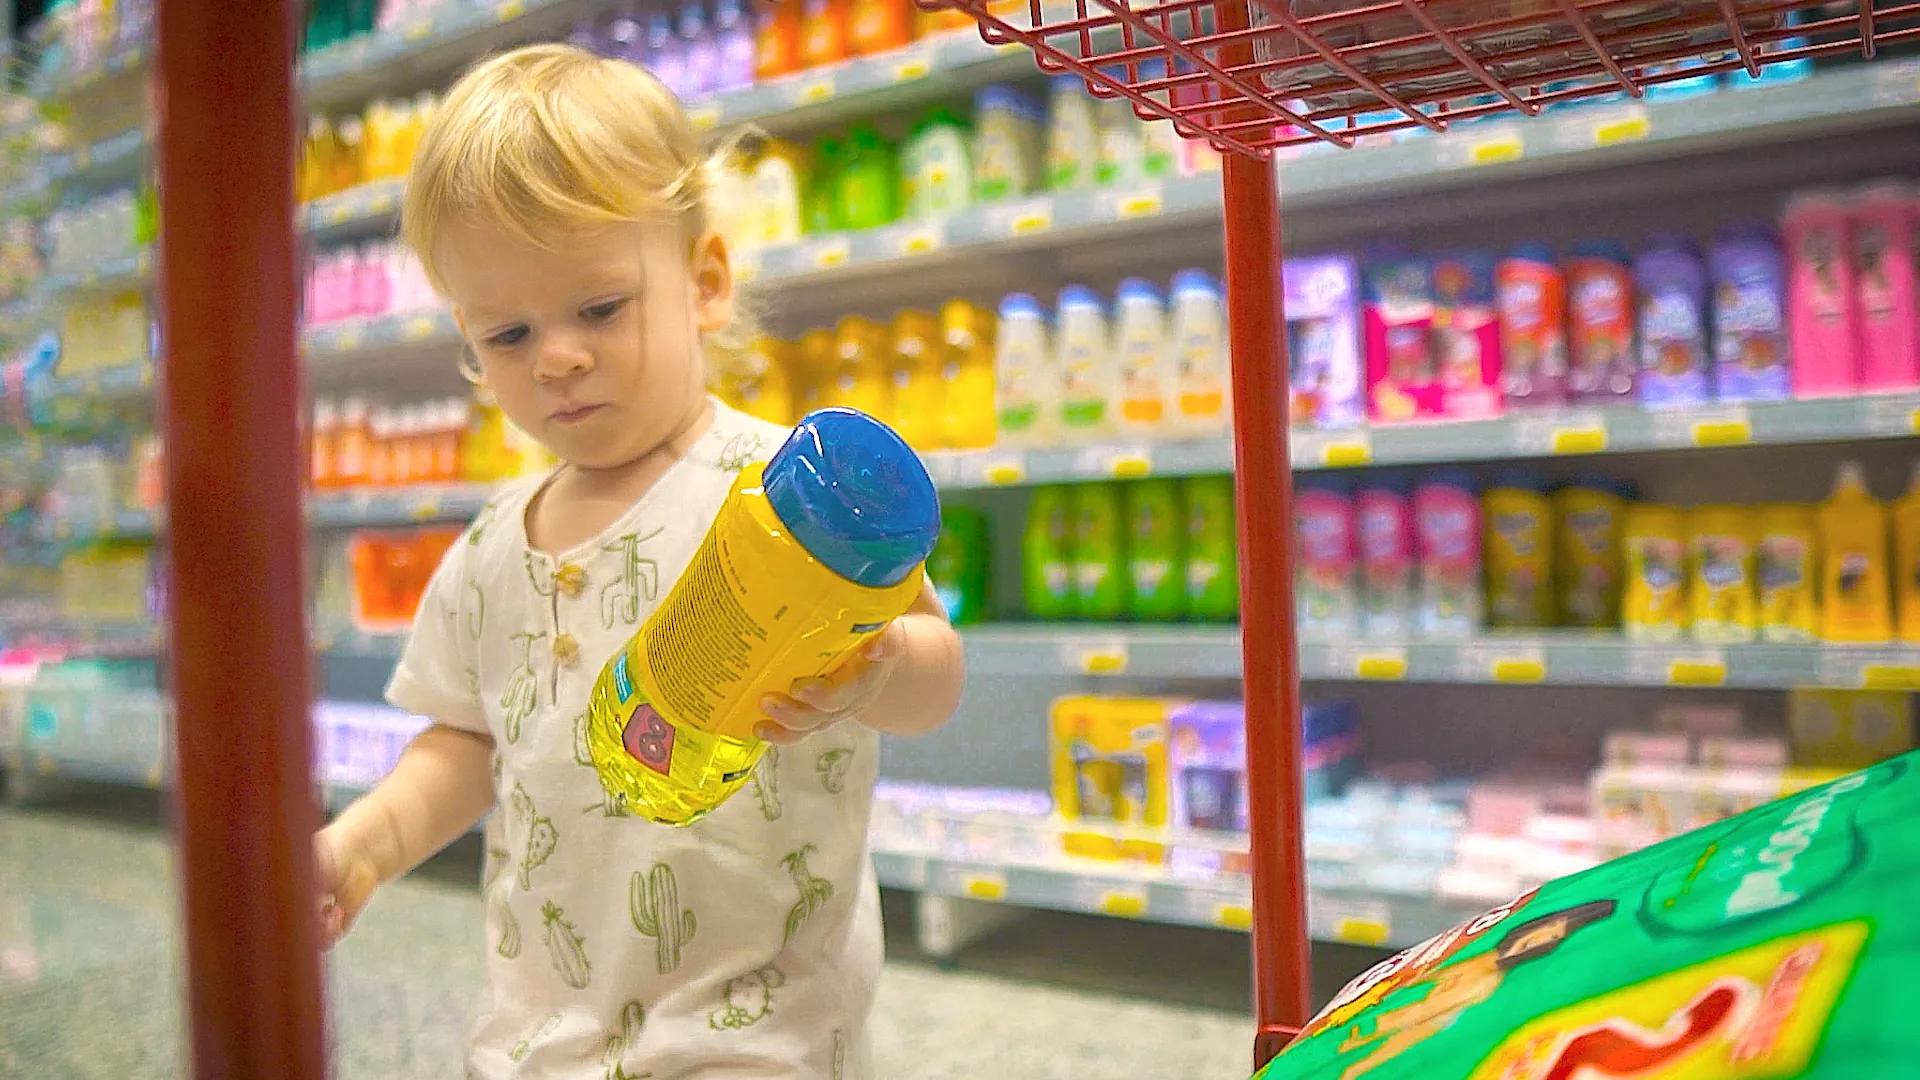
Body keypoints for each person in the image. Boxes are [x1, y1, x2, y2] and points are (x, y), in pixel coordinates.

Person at [312, 43, 966, 1080]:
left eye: (600, 309)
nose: (558, 356)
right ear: (471, 349)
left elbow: (936, 667)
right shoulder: (490, 547)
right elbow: (464, 743)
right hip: (542, 1037)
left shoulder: (783, 488)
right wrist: (366, 846)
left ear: (704, 280)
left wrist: (880, 664)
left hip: (756, 1032)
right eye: (511, 332)